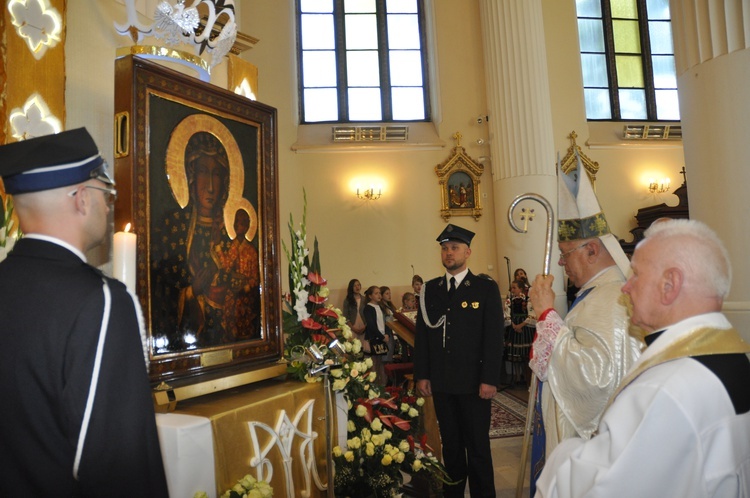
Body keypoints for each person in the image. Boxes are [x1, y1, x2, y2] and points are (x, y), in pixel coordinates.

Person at [0, 128, 168, 496]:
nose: (109, 206)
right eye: (106, 193)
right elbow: (123, 467)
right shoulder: (101, 301)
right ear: (81, 199)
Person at [535, 218, 750, 498]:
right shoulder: (733, 358)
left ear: (670, 284)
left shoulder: (665, 388)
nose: (625, 287)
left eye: (636, 274)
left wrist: (561, 457)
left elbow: (607, 486)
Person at [527, 165, 643, 493]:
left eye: (565, 254)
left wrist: (547, 314)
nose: (561, 263)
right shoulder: (595, 294)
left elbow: (597, 378)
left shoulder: (613, 299)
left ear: (591, 250)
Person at [414, 223, 504, 497]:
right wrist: (423, 374)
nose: (448, 253)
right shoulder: (430, 290)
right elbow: (422, 337)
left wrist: (490, 378)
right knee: (451, 448)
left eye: (454, 248)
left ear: (468, 252)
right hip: (442, 382)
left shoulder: (484, 288)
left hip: (475, 383)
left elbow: (493, 337)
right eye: (444, 248)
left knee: (477, 448)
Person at [152, 131, 234, 350]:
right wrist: (190, 291)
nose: (210, 186)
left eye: (216, 174)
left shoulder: (231, 231)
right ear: (190, 175)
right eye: (203, 172)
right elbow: (160, 289)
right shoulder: (173, 226)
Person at [217, 208, 261, 339]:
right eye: (236, 222)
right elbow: (226, 266)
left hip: (246, 297)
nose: (238, 226)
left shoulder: (252, 250)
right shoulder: (232, 247)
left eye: (241, 223)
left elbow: (255, 277)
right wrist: (218, 248)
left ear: (247, 226)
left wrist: (246, 287)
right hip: (232, 293)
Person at [503, 279, 535, 385]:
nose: (512, 290)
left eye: (514, 288)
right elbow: (507, 314)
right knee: (515, 354)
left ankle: (527, 377)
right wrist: (513, 325)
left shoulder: (528, 299)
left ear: (521, 289)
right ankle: (516, 376)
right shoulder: (509, 300)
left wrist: (521, 325)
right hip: (514, 326)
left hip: (525, 327)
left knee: (525, 354)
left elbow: (531, 314)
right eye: (511, 288)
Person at [363, 285, 392, 385]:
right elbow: (371, 325)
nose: (379, 295)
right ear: (370, 296)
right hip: (374, 338)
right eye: (376, 293)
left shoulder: (380, 306)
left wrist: (387, 334)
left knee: (381, 364)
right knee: (373, 365)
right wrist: (382, 336)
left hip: (382, 338)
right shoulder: (368, 308)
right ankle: (373, 386)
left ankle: (382, 385)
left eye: (380, 293)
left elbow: (386, 322)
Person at [379, 285, 398, 362]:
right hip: (386, 331)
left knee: (390, 352)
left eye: (390, 293)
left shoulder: (390, 306)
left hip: (392, 331)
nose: (389, 295)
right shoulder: (381, 307)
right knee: (386, 354)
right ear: (382, 295)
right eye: (387, 293)